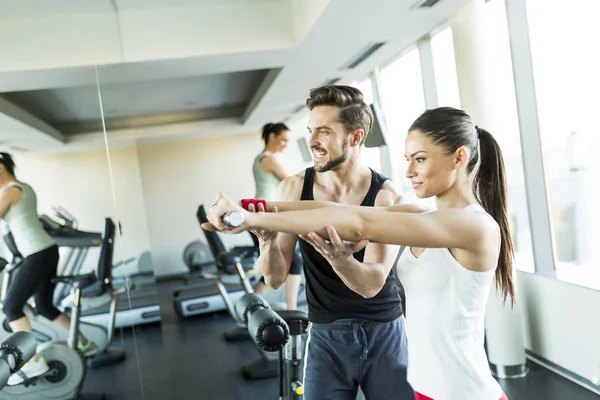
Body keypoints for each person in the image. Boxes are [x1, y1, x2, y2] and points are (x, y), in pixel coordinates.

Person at [205, 106, 512, 400]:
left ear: (459, 157)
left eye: (419, 159)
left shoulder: (474, 226)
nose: (408, 171)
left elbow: (360, 222)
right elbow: (336, 210)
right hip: (425, 389)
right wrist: (249, 208)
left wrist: (249, 220)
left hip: (464, 393)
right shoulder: (422, 214)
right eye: (407, 159)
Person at [219, 85, 415, 400]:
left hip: (384, 331)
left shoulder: (385, 195)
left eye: (323, 131)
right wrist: (267, 243)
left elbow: (372, 284)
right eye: (311, 130)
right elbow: (274, 278)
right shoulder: (294, 188)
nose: (312, 141)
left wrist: (341, 260)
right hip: (326, 334)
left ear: (355, 137)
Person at [0, 152, 98, 385]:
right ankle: (85, 342)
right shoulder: (24, 187)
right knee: (44, 306)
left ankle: (31, 361)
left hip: (36, 253)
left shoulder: (10, 190)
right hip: (45, 250)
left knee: (11, 307)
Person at [251, 122, 303, 310]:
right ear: (272, 137)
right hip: (266, 215)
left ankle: (254, 305)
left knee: (279, 262)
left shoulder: (261, 158)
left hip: (263, 213)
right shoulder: (269, 159)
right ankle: (292, 310)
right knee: (292, 261)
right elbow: (291, 182)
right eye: (283, 140)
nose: (285, 144)